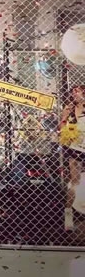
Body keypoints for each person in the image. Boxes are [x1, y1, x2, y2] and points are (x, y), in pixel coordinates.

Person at [60, 85, 85, 231]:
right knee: (74, 182)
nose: (74, 94)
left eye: (77, 92)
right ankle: (68, 217)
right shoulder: (69, 109)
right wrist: (64, 117)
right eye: (72, 92)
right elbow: (62, 130)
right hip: (76, 150)